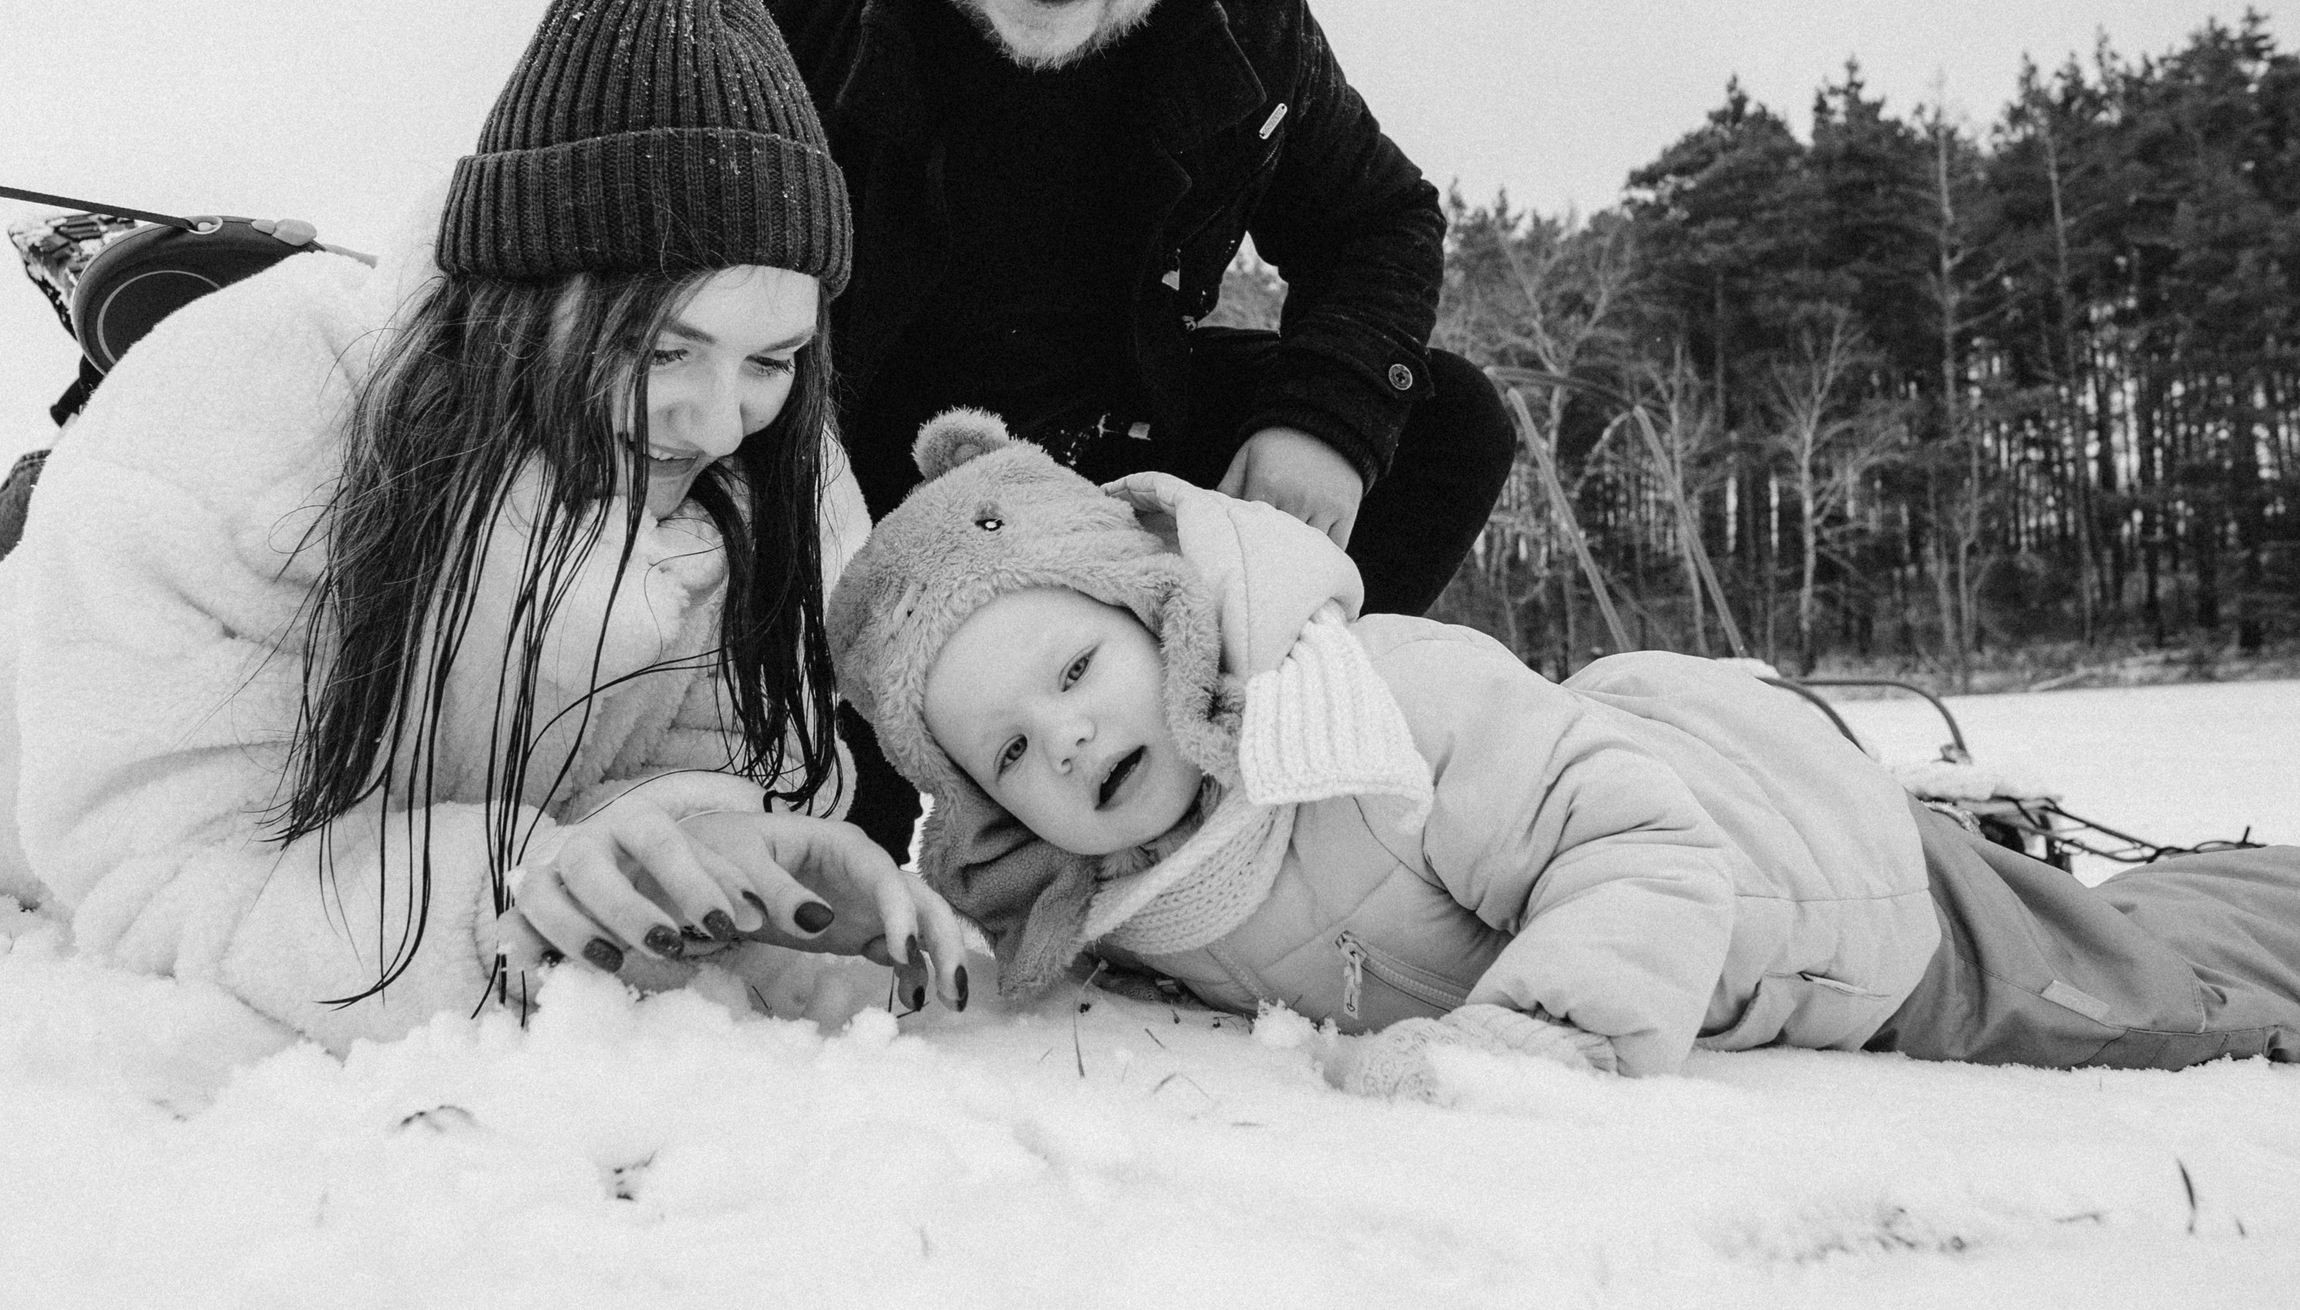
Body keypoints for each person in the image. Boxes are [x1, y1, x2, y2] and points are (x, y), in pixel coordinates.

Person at [0, 0, 969, 1051]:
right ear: (526, 292)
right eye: (662, 348)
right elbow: (167, 867)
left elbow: (671, 775)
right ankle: (44, 478)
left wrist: (718, 850)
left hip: (209, 651)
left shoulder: (761, 487)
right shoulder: (242, 405)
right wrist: (516, 890)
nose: (721, 423)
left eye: (769, 361)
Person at [682, 0, 1516, 856]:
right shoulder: (769, 2)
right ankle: (862, 782)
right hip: (826, 500)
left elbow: (1379, 218)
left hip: (1104, 478)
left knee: (1444, 421)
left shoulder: (1248, 19)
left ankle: (1223, 776)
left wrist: (1322, 420)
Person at [827, 411, 2300, 1090]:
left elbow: (1645, 847)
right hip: (1663, 810)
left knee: (2153, 987)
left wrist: (1538, 1050)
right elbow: (973, 926)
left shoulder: (1375, 710)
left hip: (1823, 895)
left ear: (1167, 617)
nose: (1067, 730)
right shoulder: (1110, 867)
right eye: (1011, 747)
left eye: (1077, 667)